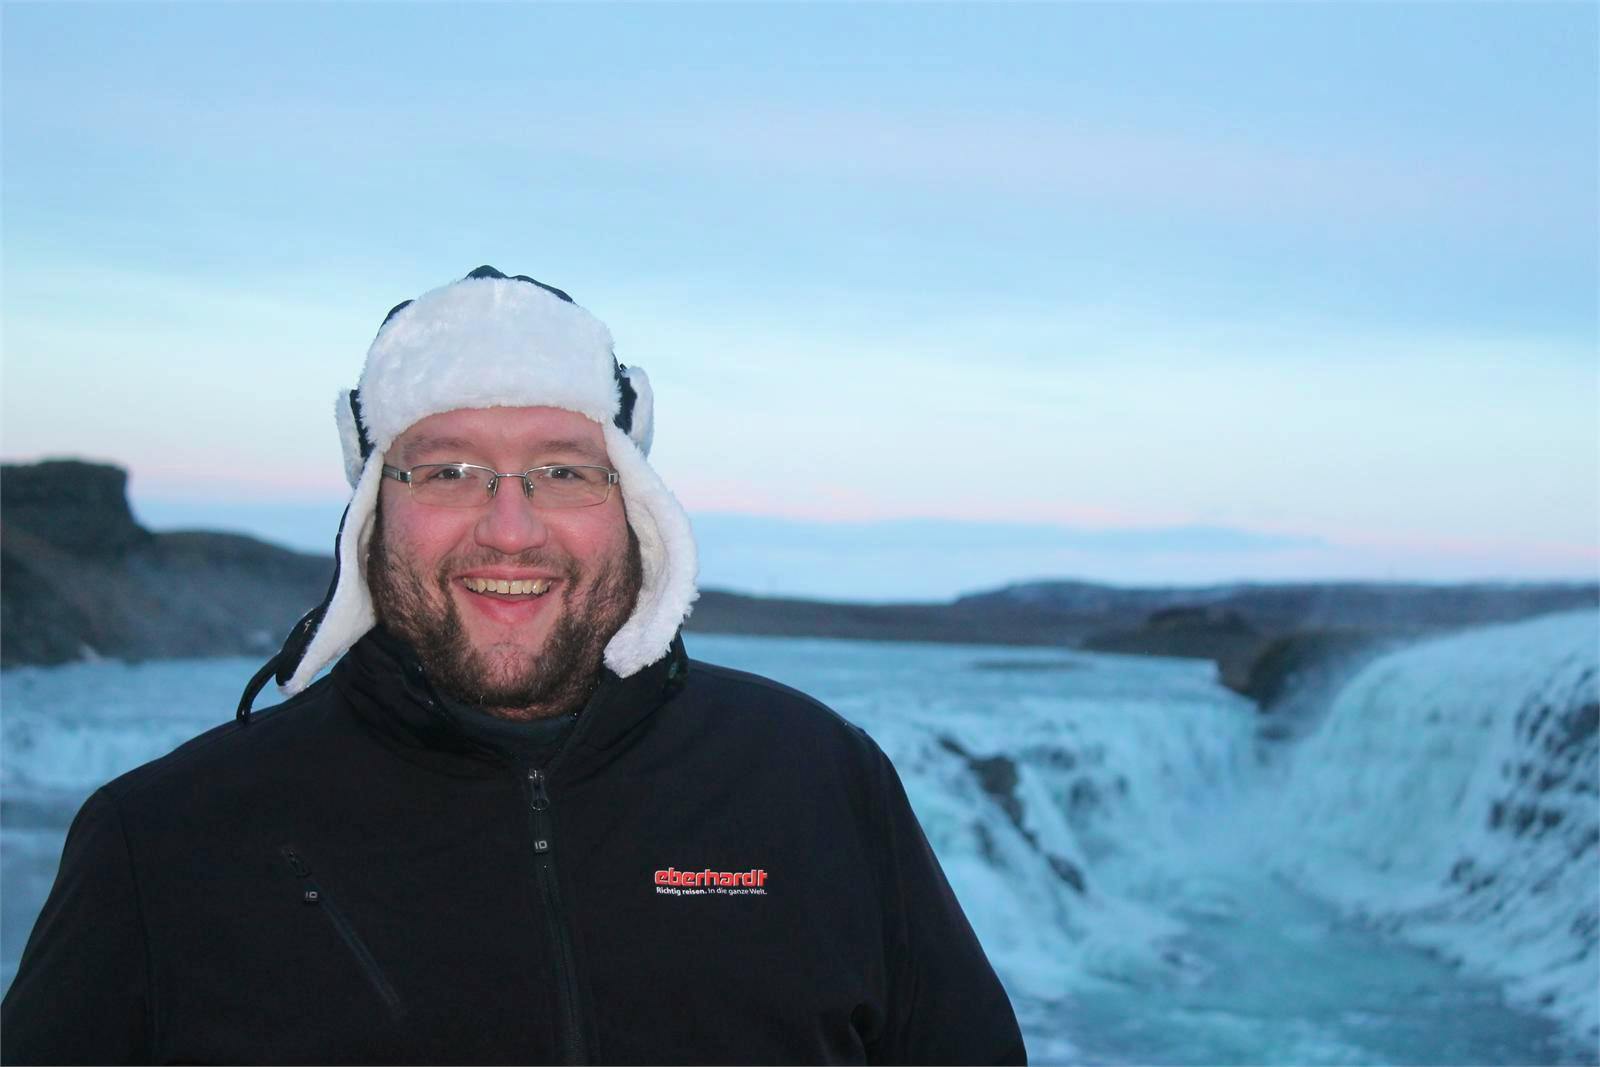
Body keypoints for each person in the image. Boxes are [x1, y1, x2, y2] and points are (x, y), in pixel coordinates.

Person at [1, 266, 1025, 1065]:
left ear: (633, 500)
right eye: (447, 468)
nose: (509, 526)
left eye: (562, 470)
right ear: (371, 503)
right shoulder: (164, 840)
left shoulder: (816, 776)